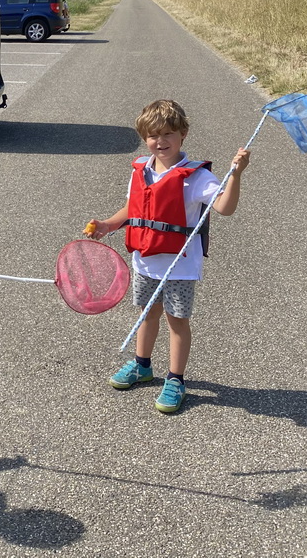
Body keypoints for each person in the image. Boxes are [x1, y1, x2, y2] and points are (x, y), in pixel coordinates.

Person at [86, 99, 250, 413]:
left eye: (168, 134)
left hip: (180, 267)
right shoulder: (140, 171)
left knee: (177, 322)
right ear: (144, 137)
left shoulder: (196, 177)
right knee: (147, 314)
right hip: (146, 261)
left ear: (183, 134)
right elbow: (132, 209)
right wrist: (108, 224)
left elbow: (225, 208)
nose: (160, 141)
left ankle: (175, 379)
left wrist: (236, 175)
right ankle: (142, 365)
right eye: (153, 135)